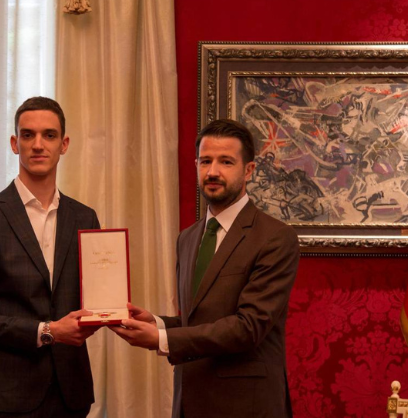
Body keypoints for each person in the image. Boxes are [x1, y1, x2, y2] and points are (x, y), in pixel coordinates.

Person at [111, 119, 300, 418]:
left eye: (226, 162)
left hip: (246, 407)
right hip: (190, 401)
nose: (212, 172)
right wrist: (158, 323)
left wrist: (162, 339)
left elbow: (248, 327)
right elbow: (200, 319)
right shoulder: (187, 238)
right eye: (205, 161)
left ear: (249, 170)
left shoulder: (275, 237)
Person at [0, 97, 101, 418]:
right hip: (2, 400)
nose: (38, 144)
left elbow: (95, 299)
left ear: (64, 145)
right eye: (28, 135)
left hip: (70, 395)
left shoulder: (85, 218)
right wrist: (48, 331)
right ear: (14, 143)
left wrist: (113, 310)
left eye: (49, 135)